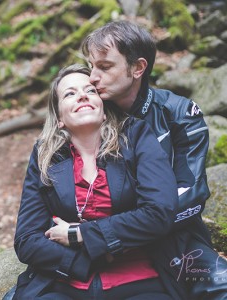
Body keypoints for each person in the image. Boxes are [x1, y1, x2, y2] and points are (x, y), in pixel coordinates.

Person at [81, 20, 227, 299]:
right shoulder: (87, 114)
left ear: (138, 68)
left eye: (105, 66)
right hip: (95, 240)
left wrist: (122, 232)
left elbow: (192, 196)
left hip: (175, 241)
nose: (92, 77)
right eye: (91, 66)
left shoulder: (179, 113)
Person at [13, 64, 179, 299]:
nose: (82, 95)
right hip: (66, 283)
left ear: (103, 109)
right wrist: (86, 260)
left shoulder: (136, 136)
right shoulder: (45, 156)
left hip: (139, 280)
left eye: (90, 90)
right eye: (69, 94)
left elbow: (159, 212)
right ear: (60, 118)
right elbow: (26, 240)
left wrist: (80, 234)